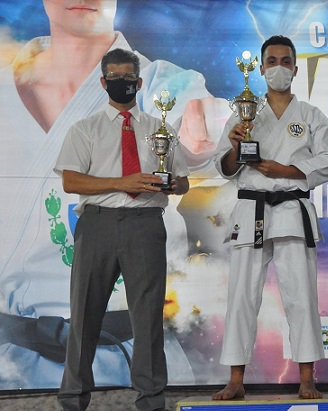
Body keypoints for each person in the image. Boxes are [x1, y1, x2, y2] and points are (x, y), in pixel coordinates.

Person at [0, 0, 226, 389]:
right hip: (13, 364)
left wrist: (203, 135)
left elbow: (198, 123)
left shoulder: (160, 83)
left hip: (133, 347)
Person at [52, 48, 188, 411]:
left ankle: (151, 401)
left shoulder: (160, 128)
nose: (121, 83)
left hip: (145, 223)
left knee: (147, 317)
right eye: (113, 77)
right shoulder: (86, 128)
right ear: (102, 82)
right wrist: (122, 182)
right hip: (97, 224)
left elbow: (183, 181)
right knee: (84, 314)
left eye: (128, 77)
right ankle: (72, 403)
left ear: (139, 83)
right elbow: (71, 181)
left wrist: (174, 184)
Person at [210, 35, 328, 401]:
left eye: (285, 61)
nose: (278, 67)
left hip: (291, 208)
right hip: (251, 207)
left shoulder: (311, 116)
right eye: (272, 61)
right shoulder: (244, 113)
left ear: (295, 70)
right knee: (241, 295)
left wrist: (287, 169)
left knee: (301, 295)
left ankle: (307, 377)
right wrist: (235, 147)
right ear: (262, 68)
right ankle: (236, 378)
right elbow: (224, 166)